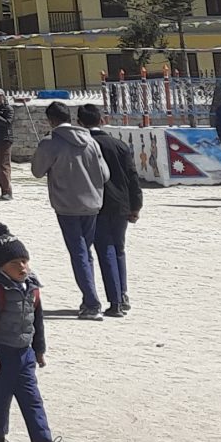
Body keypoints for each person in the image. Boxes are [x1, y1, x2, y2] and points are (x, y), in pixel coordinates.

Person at [0, 223, 71, 442]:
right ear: (1, 265)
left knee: (32, 400)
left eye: (25, 261)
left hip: (25, 354)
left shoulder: (32, 287)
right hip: (0, 354)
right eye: (15, 262)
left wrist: (39, 349)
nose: (22, 267)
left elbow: (37, 319)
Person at [30, 100, 109, 319]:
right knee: (86, 252)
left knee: (78, 253)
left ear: (50, 120)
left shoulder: (51, 142)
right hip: (93, 204)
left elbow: (37, 171)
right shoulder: (90, 141)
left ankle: (92, 302)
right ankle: (89, 296)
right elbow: (105, 174)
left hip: (67, 205)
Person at [80, 102, 141, 316]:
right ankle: (123, 294)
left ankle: (114, 300)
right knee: (119, 248)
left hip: (97, 203)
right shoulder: (119, 145)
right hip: (122, 203)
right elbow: (132, 177)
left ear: (79, 123)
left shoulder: (83, 147)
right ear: (102, 120)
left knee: (104, 249)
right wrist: (136, 204)